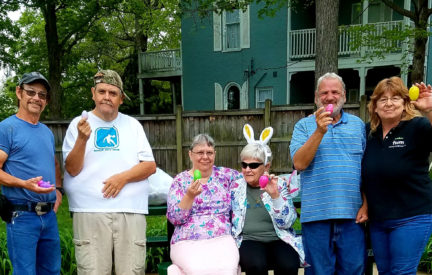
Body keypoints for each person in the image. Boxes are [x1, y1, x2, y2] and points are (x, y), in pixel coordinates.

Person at [62, 69, 156, 275]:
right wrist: (81, 139)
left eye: (113, 93)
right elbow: (72, 169)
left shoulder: (133, 125)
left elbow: (149, 165)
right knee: (92, 271)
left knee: (132, 271)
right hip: (89, 211)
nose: (106, 97)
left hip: (130, 211)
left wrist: (122, 178)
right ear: (93, 93)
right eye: (102, 91)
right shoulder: (78, 125)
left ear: (121, 99)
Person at [289, 72, 367, 275]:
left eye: (335, 92)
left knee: (353, 270)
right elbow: (299, 163)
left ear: (344, 96)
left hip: (352, 216)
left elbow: (367, 169)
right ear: (316, 97)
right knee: (318, 272)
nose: (330, 97)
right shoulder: (303, 126)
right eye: (324, 93)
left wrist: (366, 204)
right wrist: (319, 131)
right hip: (316, 217)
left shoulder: (358, 126)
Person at [361, 77, 432, 274]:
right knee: (385, 272)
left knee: (402, 272)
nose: (389, 103)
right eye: (382, 99)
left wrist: (429, 111)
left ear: (405, 103)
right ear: (374, 106)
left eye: (395, 98)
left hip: (412, 217)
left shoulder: (418, 127)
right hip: (379, 220)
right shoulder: (367, 133)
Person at [0, 72, 63, 274]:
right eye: (31, 92)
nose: (37, 98)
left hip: (49, 216)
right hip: (22, 216)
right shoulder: (7, 128)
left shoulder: (46, 132)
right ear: (19, 93)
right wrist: (24, 184)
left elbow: (53, 163)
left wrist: (59, 191)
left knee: (51, 271)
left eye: (42, 95)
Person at [231, 124, 305, 275]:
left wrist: (275, 196)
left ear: (266, 166)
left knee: (289, 265)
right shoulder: (235, 187)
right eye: (244, 165)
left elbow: (287, 222)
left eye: (253, 165)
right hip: (249, 239)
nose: (247, 169)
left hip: (278, 237)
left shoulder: (279, 184)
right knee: (256, 265)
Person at [166, 134, 242, 275]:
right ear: (190, 154)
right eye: (200, 152)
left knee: (227, 269)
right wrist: (189, 196)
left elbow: (251, 177)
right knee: (198, 270)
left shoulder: (226, 176)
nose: (205, 157)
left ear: (214, 154)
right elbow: (175, 218)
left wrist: (278, 181)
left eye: (209, 152)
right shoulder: (180, 181)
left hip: (222, 238)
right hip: (187, 240)